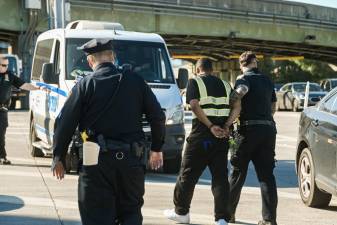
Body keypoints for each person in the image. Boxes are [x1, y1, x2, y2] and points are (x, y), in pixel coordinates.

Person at [51, 39, 166, 225]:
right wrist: (156, 148)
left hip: (95, 161)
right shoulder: (136, 81)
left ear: (90, 61)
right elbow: (158, 117)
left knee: (96, 215)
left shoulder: (85, 85)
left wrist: (58, 157)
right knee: (131, 213)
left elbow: (64, 123)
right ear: (113, 57)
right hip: (131, 161)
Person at [164, 58, 240, 225]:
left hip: (201, 137)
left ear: (198, 70)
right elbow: (237, 106)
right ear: (212, 70)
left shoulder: (194, 82)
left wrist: (210, 125)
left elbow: (194, 104)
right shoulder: (226, 85)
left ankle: (181, 213)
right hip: (221, 138)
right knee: (220, 178)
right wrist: (226, 125)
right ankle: (221, 218)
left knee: (187, 176)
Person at [227, 51, 278, 225]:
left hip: (247, 131)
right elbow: (273, 106)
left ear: (242, 65)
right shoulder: (267, 80)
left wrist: (232, 103)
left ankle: (229, 214)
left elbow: (240, 92)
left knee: (237, 173)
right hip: (268, 130)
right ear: (255, 63)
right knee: (267, 176)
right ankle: (269, 219)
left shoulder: (243, 79)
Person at [0, 56, 42, 165]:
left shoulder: (9, 76)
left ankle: (2, 157)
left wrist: (38, 88)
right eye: (3, 65)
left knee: (1, 135)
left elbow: (24, 85)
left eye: (7, 65)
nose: (6, 67)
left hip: (2, 110)